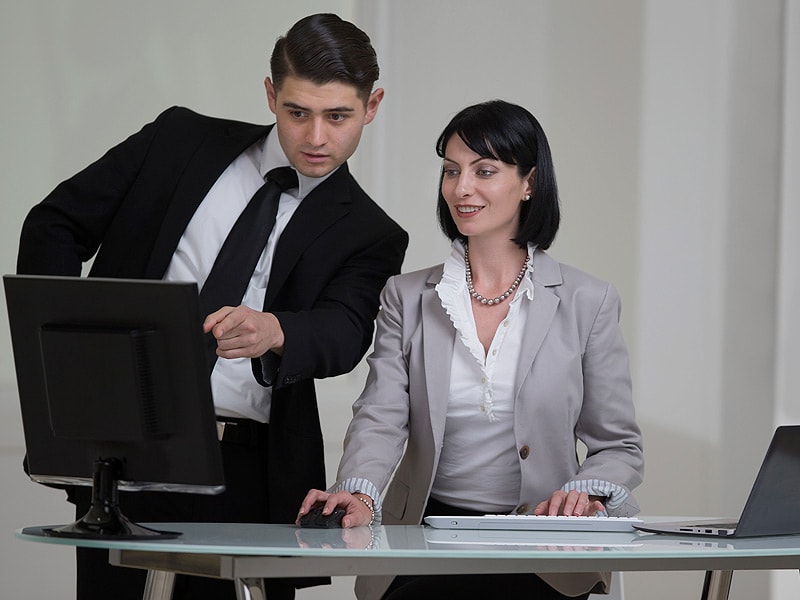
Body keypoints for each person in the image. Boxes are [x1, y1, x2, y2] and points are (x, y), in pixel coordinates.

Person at [16, 13, 408, 600]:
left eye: (337, 116)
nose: (316, 137)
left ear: (371, 106)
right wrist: (67, 352)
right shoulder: (179, 142)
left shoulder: (372, 233)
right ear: (271, 94)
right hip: (125, 458)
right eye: (298, 112)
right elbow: (54, 224)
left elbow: (346, 330)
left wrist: (276, 330)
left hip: (247, 472)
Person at [297, 100, 643, 600]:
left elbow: (617, 445)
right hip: (426, 540)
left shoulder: (588, 301)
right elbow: (380, 416)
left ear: (529, 182)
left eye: (484, 171)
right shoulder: (406, 297)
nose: (461, 188)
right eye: (451, 170)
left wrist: (583, 495)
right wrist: (358, 492)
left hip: (543, 551)